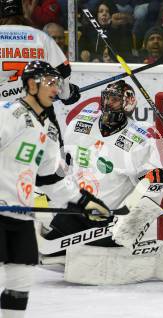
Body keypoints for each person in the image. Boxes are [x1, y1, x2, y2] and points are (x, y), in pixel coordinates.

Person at [42, 80, 163, 284]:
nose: (108, 103)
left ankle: (143, 252)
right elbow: (63, 162)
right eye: (107, 98)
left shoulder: (140, 140)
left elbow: (157, 182)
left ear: (128, 104)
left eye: (115, 99)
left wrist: (133, 221)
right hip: (77, 210)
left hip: (108, 219)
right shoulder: (79, 125)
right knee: (49, 252)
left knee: (93, 257)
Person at [0, 60, 110, 318]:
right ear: (30, 84)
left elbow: (51, 180)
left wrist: (84, 203)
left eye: (57, 83)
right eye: (49, 82)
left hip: (21, 216)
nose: (55, 88)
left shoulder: (48, 129)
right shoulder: (8, 114)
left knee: (21, 282)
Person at [0, 0, 80, 105]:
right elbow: (63, 69)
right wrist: (66, 93)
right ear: (23, 12)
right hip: (33, 109)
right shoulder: (40, 37)